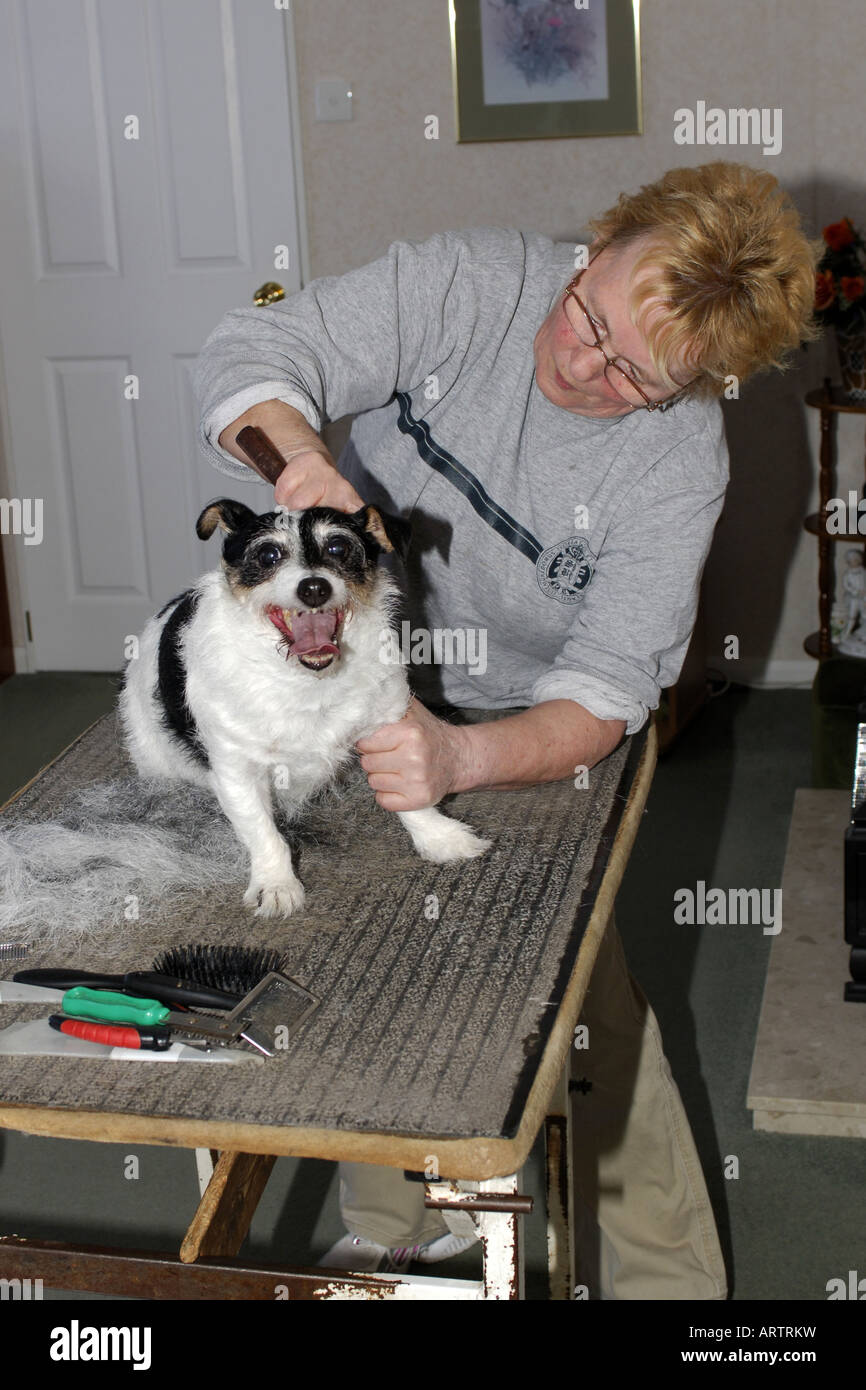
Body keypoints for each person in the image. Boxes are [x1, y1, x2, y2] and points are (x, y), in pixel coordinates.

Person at [193, 161, 818, 1298]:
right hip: (340, 686)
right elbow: (249, 351)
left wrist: (459, 756)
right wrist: (300, 461)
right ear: (592, 247)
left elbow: (609, 692)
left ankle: (670, 1290)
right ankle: (398, 1225)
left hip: (522, 721)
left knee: (577, 1003)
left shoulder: (675, 470)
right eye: (590, 317)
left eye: (634, 374)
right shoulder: (469, 282)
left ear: (694, 386)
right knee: (361, 952)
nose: (582, 365)